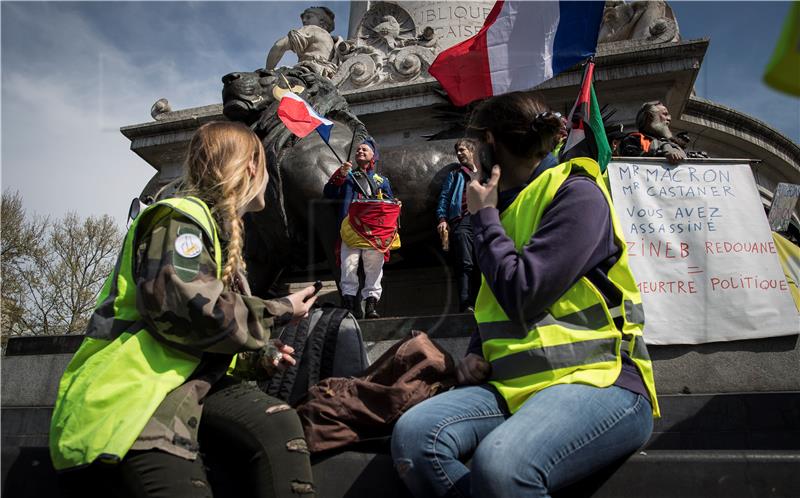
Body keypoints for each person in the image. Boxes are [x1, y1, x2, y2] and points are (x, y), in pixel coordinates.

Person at [391, 92, 660, 498]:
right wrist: (476, 354)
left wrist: (483, 216)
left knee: (501, 466)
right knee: (413, 439)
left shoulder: (577, 193)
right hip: (511, 388)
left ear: (489, 143)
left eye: (476, 145)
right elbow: (496, 301)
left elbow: (524, 294)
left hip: (600, 383)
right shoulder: (505, 209)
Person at [50, 121, 318, 498]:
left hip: (183, 386)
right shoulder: (180, 218)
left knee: (277, 423)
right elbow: (187, 310)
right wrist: (281, 309)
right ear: (252, 168)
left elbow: (202, 340)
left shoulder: (216, 235)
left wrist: (259, 358)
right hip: (137, 395)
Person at [324, 138, 395, 319]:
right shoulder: (346, 176)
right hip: (351, 228)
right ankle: (348, 306)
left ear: (373, 155)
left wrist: (394, 205)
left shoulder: (381, 180)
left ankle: (371, 305)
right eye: (358, 150)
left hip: (373, 231)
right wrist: (339, 175)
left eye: (364, 150)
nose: (360, 152)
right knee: (349, 266)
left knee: (373, 268)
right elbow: (329, 194)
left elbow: (388, 204)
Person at [436, 138, 481, 312]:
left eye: (462, 150)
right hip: (463, 220)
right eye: (458, 151)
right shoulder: (455, 175)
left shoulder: (485, 173)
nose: (459, 154)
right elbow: (444, 198)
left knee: (485, 261)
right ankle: (466, 302)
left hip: (485, 220)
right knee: (465, 262)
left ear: (472, 151)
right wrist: (442, 219)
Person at [266, 6, 338, 78]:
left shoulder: (313, 29)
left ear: (321, 21)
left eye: (308, 17)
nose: (304, 20)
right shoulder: (333, 42)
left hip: (307, 73)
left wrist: (267, 72)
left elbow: (279, 45)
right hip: (327, 78)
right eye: (303, 18)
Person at [619, 100, 688, 164]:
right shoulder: (634, 139)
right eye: (665, 114)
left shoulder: (673, 144)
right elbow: (630, 162)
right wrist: (663, 153)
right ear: (650, 116)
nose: (669, 119)